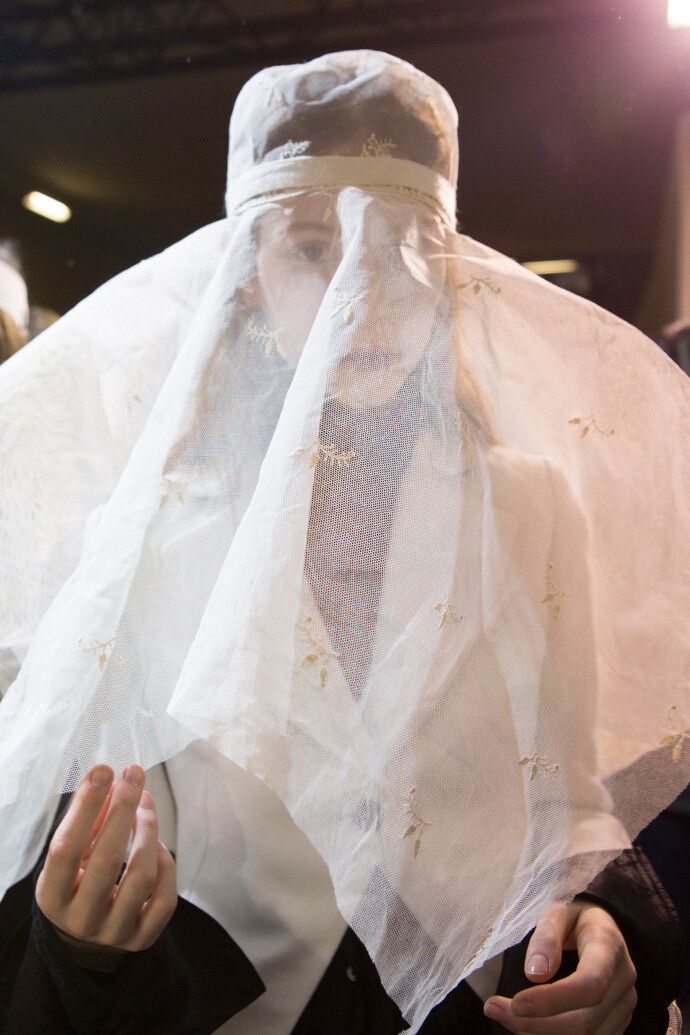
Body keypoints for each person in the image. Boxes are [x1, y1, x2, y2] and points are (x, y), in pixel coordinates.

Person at [0, 50, 688, 1034]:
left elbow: (563, 803)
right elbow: (91, 834)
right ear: (245, 281)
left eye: (403, 243)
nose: (365, 288)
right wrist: (82, 946)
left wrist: (602, 920)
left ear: (447, 271)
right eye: (313, 246)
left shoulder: (527, 504)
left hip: (468, 1005)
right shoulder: (143, 537)